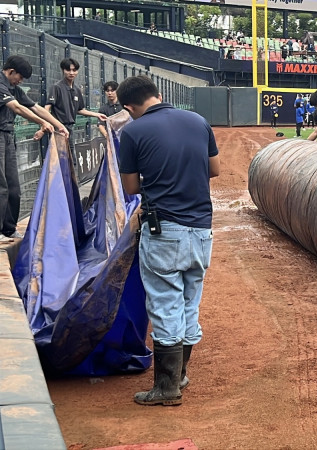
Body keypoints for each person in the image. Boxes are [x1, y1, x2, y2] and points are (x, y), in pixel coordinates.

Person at [118, 75, 219, 406]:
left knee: (164, 304)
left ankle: (166, 388)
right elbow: (214, 169)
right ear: (159, 94)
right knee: (190, 301)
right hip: (201, 230)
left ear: (129, 107)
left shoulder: (133, 131)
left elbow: (131, 187)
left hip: (164, 231)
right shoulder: (198, 121)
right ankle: (180, 374)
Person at [0, 55, 68, 242]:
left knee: (13, 186)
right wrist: (42, 123)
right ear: (11, 72)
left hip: (8, 136)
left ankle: (9, 228)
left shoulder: (14, 89)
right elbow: (17, 108)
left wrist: (58, 125)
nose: (20, 81)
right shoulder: (1, 84)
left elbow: (36, 107)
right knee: (1, 186)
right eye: (20, 77)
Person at [44, 58, 108, 165]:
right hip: (58, 128)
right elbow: (47, 108)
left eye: (74, 70)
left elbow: (80, 109)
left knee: (70, 159)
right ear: (63, 70)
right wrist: (45, 123)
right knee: (60, 158)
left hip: (70, 128)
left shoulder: (76, 90)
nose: (71, 73)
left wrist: (97, 114)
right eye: (68, 70)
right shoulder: (56, 87)